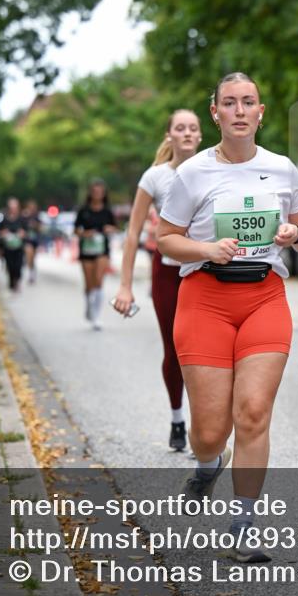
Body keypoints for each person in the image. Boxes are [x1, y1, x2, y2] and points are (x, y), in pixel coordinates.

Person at [154, 73, 298, 561]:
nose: (240, 110)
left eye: (249, 102)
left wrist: (294, 234)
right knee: (209, 433)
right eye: (230, 103)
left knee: (253, 412)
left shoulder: (282, 169)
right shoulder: (193, 173)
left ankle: (242, 527)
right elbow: (166, 239)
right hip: (204, 298)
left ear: (261, 113)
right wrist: (207, 248)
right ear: (216, 113)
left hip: (264, 296)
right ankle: (208, 466)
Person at [113, 109, 203, 451]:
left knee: (201, 352)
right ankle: (178, 418)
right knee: (175, 350)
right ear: (170, 135)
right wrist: (125, 286)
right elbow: (132, 233)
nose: (187, 133)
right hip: (167, 273)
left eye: (193, 128)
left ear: (200, 135)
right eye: (180, 128)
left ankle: (202, 430)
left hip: (203, 272)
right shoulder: (154, 177)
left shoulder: (212, 169)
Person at [75, 179, 118, 330]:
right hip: (86, 250)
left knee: (99, 281)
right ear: (90, 193)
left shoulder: (107, 211)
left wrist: (109, 229)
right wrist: (85, 233)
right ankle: (88, 305)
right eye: (95, 191)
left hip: (102, 250)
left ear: (104, 194)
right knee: (89, 283)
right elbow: (76, 230)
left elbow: (115, 228)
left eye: (100, 192)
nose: (97, 194)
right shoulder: (83, 210)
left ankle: (96, 316)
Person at [0, 198, 27, 292]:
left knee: (18, 265)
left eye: (15, 207)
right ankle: (11, 281)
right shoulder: (3, 219)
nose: (13, 209)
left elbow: (26, 231)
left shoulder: (22, 219)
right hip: (8, 246)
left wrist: (22, 234)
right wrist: (4, 234)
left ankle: (17, 281)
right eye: (11, 207)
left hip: (19, 246)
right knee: (10, 265)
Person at [22, 199, 41, 284]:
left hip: (35, 240)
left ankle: (32, 270)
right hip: (27, 240)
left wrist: (35, 225)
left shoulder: (37, 217)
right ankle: (30, 272)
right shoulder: (24, 216)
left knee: (33, 258)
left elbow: (40, 228)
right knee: (29, 254)